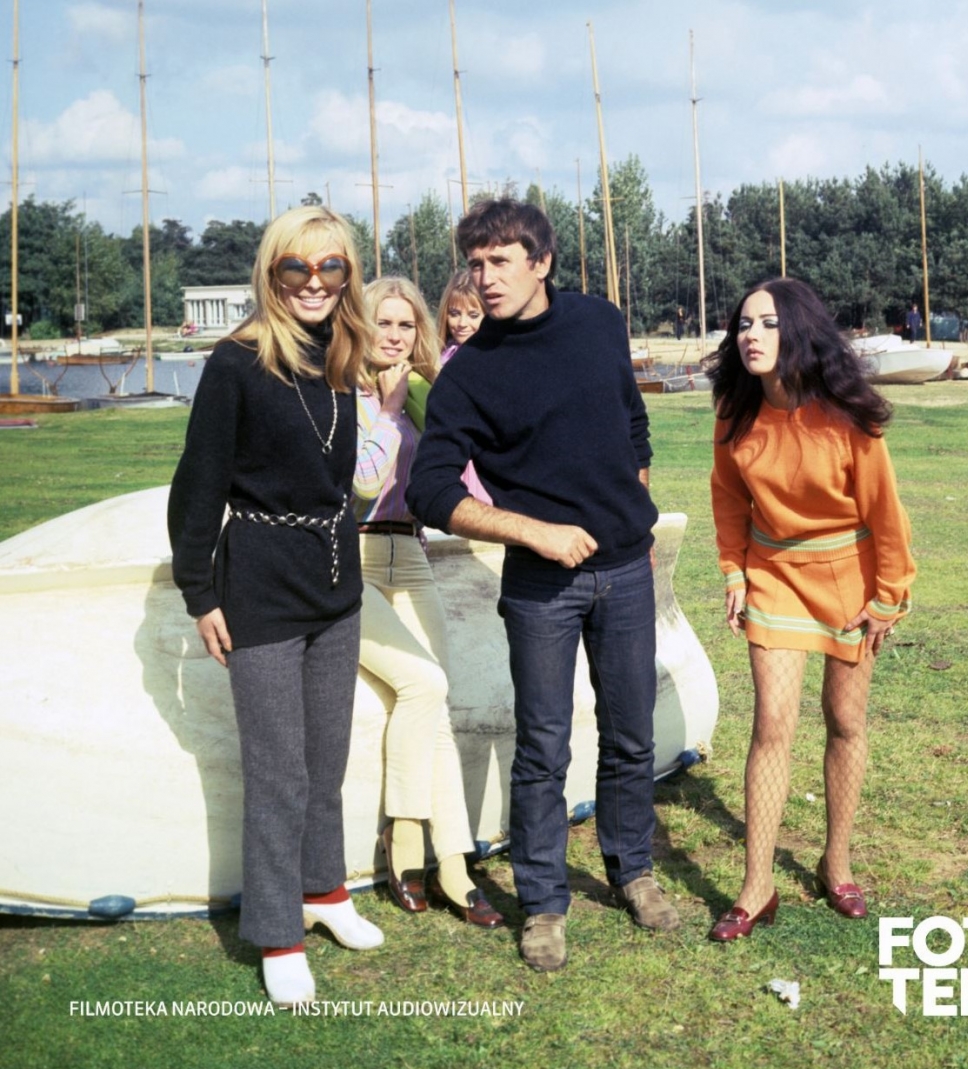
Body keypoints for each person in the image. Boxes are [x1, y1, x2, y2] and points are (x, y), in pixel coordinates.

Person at [408, 198, 680, 974]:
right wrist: (533, 531)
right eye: (475, 264)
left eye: (500, 261)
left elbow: (631, 419)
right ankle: (544, 903)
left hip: (625, 569)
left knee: (630, 734)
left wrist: (632, 499)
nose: (485, 279)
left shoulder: (598, 322)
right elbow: (430, 491)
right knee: (542, 748)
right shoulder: (467, 375)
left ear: (541, 262)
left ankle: (633, 872)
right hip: (540, 585)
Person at [167, 206, 383, 1007]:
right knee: (278, 770)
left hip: (335, 582)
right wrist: (200, 591)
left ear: (348, 275)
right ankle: (277, 931)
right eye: (297, 267)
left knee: (327, 757)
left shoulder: (342, 355)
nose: (314, 283)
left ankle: (324, 891)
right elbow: (197, 485)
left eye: (331, 267)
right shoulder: (235, 363)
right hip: (258, 584)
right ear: (271, 273)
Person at [707, 277, 915, 942]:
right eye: (744, 324)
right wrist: (734, 570)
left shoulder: (847, 416)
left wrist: (889, 595)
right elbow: (727, 496)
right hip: (773, 574)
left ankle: (837, 863)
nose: (751, 336)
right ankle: (756, 887)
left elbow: (885, 512)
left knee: (844, 720)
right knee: (772, 723)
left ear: (797, 332)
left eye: (767, 324)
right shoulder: (735, 410)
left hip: (849, 576)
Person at [354, 276, 503, 930]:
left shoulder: (423, 392)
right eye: (382, 322)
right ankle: (409, 839)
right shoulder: (342, 392)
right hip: (351, 558)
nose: (394, 336)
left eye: (406, 325)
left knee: (436, 700)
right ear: (361, 325)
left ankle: (454, 864)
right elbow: (361, 483)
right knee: (423, 683)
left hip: (409, 551)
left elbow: (460, 474)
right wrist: (387, 410)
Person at [434, 271, 491, 505]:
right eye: (454, 313)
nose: (462, 324)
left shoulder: (496, 358)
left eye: (473, 315)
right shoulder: (438, 358)